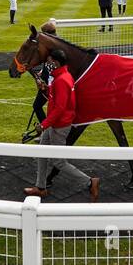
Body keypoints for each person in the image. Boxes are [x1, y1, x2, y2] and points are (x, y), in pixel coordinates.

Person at [24, 47, 99, 201]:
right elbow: (56, 94)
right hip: (56, 124)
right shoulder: (64, 76)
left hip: (59, 126)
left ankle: (90, 181)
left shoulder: (61, 80)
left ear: (56, 62)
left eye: (50, 61)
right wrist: (46, 87)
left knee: (58, 161)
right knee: (41, 153)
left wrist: (43, 125)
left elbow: (59, 109)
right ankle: (40, 187)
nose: (48, 64)